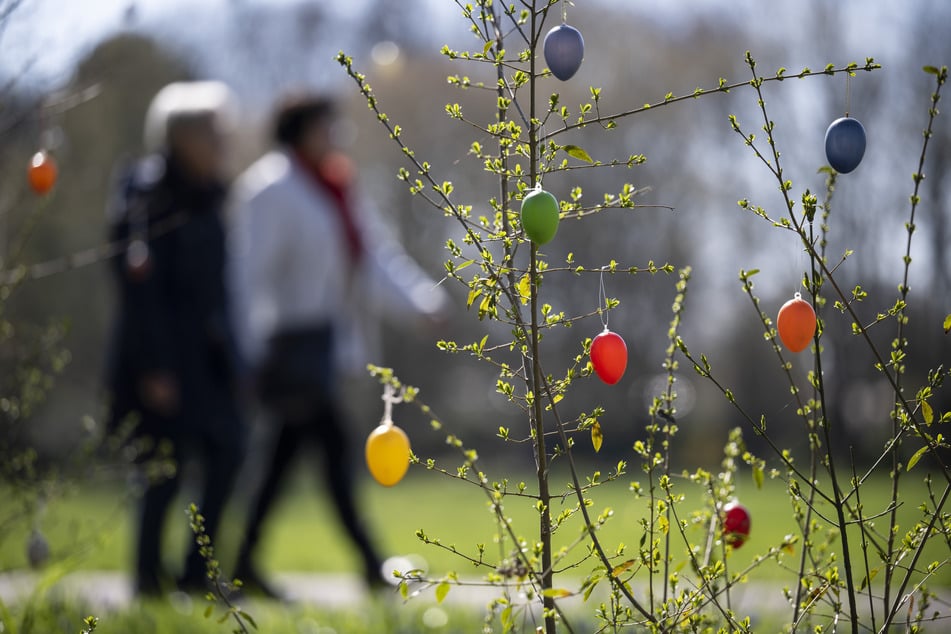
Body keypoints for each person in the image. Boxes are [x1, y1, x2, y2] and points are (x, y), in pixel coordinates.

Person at [228, 94, 448, 595]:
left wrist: (419, 301)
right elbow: (246, 277)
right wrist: (249, 352)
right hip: (287, 350)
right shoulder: (270, 189)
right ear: (300, 131)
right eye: (327, 127)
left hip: (325, 349)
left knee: (284, 460)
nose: (336, 136)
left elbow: (372, 257)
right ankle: (371, 566)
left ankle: (241, 560)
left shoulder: (337, 186)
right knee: (333, 453)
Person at [105, 81, 246, 597]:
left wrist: (235, 355)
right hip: (162, 357)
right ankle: (147, 581)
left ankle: (196, 571)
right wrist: (154, 366)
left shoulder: (210, 195)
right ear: (183, 137)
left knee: (228, 452)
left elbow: (220, 288)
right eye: (214, 131)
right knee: (162, 469)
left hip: (208, 356)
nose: (224, 140)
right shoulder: (145, 195)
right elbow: (138, 289)